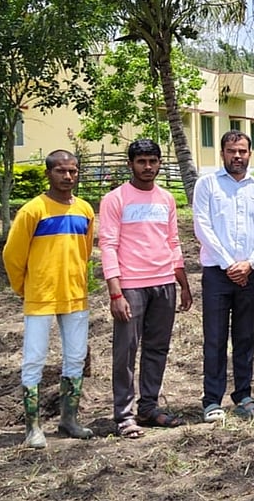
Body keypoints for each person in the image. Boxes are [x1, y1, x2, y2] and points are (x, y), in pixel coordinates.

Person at [3, 149, 97, 448]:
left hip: (74, 295)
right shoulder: (33, 210)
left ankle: (69, 419)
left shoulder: (84, 210)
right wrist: (24, 288)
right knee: (34, 359)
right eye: (61, 171)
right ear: (48, 174)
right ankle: (32, 428)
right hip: (40, 296)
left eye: (73, 171)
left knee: (75, 358)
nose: (68, 176)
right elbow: (13, 255)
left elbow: (85, 252)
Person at [99, 140, 193, 438]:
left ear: (160, 163)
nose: (148, 167)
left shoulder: (166, 199)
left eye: (153, 161)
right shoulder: (115, 199)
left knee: (157, 347)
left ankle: (148, 407)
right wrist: (116, 293)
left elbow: (173, 242)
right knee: (125, 351)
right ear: (130, 164)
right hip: (131, 286)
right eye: (141, 161)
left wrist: (183, 283)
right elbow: (108, 246)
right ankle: (124, 415)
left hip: (164, 283)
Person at [193, 129, 254, 422]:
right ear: (222, 154)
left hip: (249, 272)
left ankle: (243, 394)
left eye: (242, 151)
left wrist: (249, 263)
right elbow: (202, 227)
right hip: (217, 272)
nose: (237, 156)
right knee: (215, 337)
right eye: (231, 151)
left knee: (245, 335)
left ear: (250, 154)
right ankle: (212, 400)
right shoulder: (207, 184)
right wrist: (230, 264)